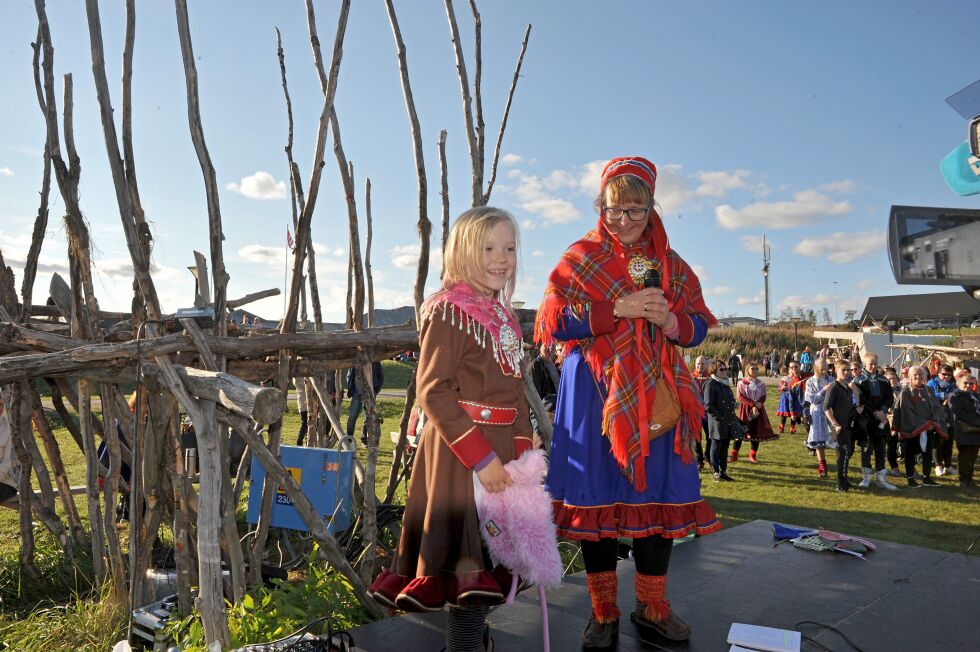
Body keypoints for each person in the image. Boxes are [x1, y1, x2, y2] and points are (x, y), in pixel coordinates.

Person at [535, 157, 720, 647]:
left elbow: (699, 324)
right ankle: (603, 612)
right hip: (593, 397)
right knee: (595, 500)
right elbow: (553, 321)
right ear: (601, 206)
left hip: (657, 399)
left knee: (655, 498)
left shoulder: (672, 264)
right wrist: (618, 307)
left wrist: (672, 323)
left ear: (652, 208)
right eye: (614, 209)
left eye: (635, 211)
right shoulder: (581, 256)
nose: (623, 221)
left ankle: (652, 607)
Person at [368, 206, 533, 652]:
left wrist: (521, 450)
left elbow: (515, 391)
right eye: (488, 248)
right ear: (461, 252)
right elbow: (434, 391)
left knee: (490, 555)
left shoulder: (503, 317)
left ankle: (473, 642)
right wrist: (483, 459)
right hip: (462, 459)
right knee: (466, 562)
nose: (501, 258)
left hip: (500, 454)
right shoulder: (448, 311)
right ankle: (464, 648)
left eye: (510, 249)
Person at [891, 366, 946, 487]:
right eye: (915, 375)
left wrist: (933, 422)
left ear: (925, 377)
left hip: (930, 427)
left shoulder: (929, 391)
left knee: (927, 453)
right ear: (910, 377)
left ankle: (927, 478)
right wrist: (924, 424)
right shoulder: (905, 392)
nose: (918, 377)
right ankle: (911, 479)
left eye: (921, 375)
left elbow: (937, 407)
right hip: (912, 428)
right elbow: (907, 412)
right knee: (910, 453)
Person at [851, 352, 899, 491]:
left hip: (882, 419)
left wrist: (883, 411)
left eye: (875, 363)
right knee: (867, 447)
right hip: (866, 420)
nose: (873, 366)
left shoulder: (884, 380)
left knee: (881, 447)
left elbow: (889, 398)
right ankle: (866, 478)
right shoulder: (858, 381)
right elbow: (860, 400)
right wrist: (874, 412)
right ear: (864, 364)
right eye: (870, 363)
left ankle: (881, 478)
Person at [732, 361, 777, 463]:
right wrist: (753, 404)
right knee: (741, 432)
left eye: (757, 369)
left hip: (758, 410)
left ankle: (753, 455)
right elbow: (740, 396)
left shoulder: (761, 383)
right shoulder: (741, 383)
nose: (755, 371)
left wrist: (759, 404)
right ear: (747, 370)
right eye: (753, 369)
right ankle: (734, 454)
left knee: (756, 432)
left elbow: (763, 395)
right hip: (746, 409)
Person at [824, 360, 858, 492]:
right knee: (842, 452)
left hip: (847, 425)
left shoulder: (847, 388)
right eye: (843, 370)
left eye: (848, 370)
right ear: (836, 371)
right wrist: (835, 424)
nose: (846, 372)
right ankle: (840, 483)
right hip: (838, 426)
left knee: (847, 452)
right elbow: (826, 408)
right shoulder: (834, 387)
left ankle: (844, 479)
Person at [704, 359, 738, 480]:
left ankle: (723, 471)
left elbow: (728, 400)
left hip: (727, 420)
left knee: (725, 446)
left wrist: (733, 403)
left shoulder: (724, 383)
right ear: (714, 370)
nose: (724, 371)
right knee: (716, 445)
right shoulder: (711, 384)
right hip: (717, 421)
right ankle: (715, 472)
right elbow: (708, 404)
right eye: (721, 369)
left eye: (726, 369)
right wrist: (719, 417)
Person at [949, 370, 980, 487]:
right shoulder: (954, 395)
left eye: (971, 383)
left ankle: (970, 479)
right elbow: (959, 413)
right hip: (963, 430)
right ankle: (963, 479)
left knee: (973, 455)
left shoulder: (975, 396)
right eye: (965, 383)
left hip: (976, 431)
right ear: (958, 383)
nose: (968, 385)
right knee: (964, 455)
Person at [804, 358, 834, 478]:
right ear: (816, 368)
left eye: (826, 368)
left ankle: (841, 465)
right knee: (818, 442)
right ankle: (822, 467)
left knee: (834, 438)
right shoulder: (810, 382)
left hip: (831, 412)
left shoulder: (832, 380)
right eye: (822, 369)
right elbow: (812, 399)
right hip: (817, 413)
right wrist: (823, 391)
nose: (824, 371)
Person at [927, 365, 956, 476]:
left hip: (949, 416)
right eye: (944, 374)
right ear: (938, 373)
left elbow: (955, 395)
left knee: (948, 442)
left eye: (949, 375)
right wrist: (945, 395)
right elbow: (930, 395)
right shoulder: (932, 382)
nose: (946, 377)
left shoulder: (953, 384)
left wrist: (947, 397)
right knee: (937, 443)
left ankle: (948, 466)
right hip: (936, 417)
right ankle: (938, 465)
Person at [346, 361, 384, 446]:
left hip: (369, 395)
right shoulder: (355, 360)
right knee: (352, 418)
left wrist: (375, 391)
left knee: (368, 418)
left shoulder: (375, 362)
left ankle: (364, 440)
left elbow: (380, 377)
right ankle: (349, 440)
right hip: (357, 394)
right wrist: (351, 388)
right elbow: (349, 375)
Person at [692, 355, 711, 470]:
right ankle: (699, 461)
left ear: (706, 365)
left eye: (702, 364)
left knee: (710, 436)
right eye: (698, 364)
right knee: (696, 437)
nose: (700, 366)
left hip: (708, 413)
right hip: (695, 413)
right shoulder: (690, 377)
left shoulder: (711, 378)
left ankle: (707, 457)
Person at [776, 362, 805, 433]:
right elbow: (780, 386)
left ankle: (792, 427)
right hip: (786, 397)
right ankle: (782, 426)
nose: (793, 369)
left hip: (795, 397)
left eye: (795, 367)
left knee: (794, 413)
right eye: (791, 368)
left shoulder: (798, 378)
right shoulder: (785, 378)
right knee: (784, 414)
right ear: (789, 369)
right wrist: (782, 387)